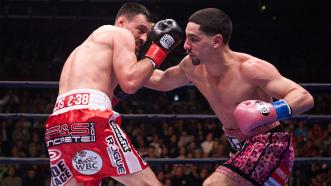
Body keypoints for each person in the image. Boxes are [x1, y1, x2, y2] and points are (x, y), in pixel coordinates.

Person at [145, 8, 314, 186]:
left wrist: (269, 111)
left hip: (269, 144)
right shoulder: (191, 67)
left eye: (194, 39)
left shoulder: (250, 69)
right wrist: (126, 68)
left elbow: (303, 97)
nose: (186, 45)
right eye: (187, 37)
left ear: (217, 41)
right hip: (238, 147)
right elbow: (161, 80)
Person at [44, 2, 183, 186]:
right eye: (140, 29)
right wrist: (160, 49)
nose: (143, 38)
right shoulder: (119, 33)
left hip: (58, 126)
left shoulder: (89, 50)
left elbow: (161, 80)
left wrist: (192, 69)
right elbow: (131, 83)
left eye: (148, 35)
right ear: (122, 22)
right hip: (89, 118)